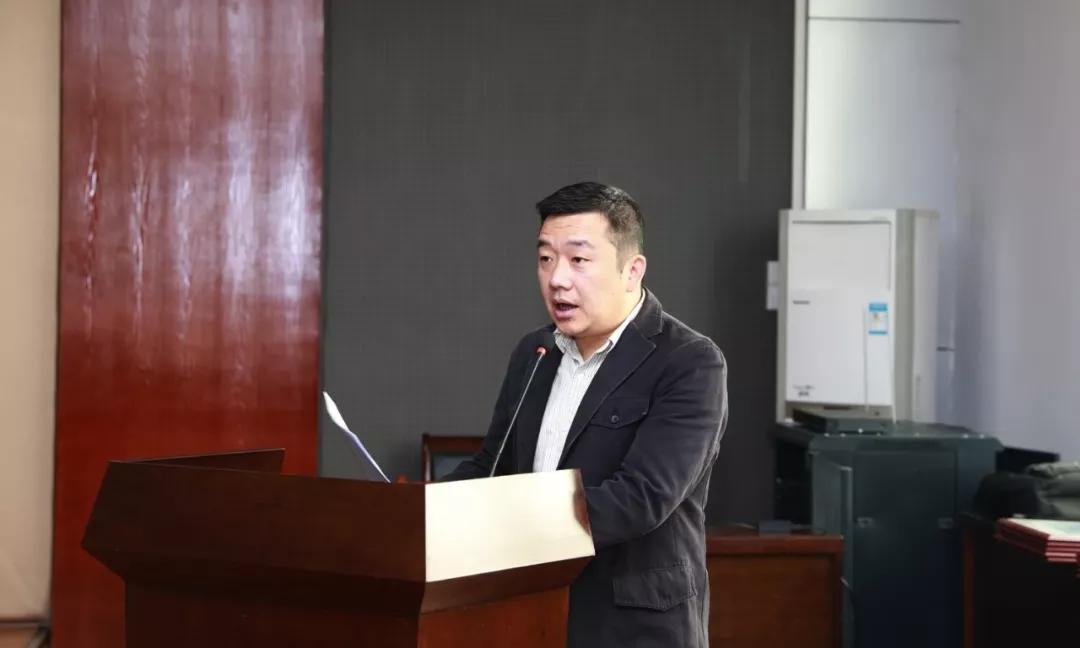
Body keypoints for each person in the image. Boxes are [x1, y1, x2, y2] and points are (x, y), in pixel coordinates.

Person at [443, 181, 728, 647]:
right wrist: (422, 511)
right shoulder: (535, 352)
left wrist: (507, 522)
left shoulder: (689, 361)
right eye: (545, 258)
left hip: (633, 627)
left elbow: (641, 498)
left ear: (632, 270)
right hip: (531, 612)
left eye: (578, 259)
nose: (557, 278)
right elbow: (493, 465)